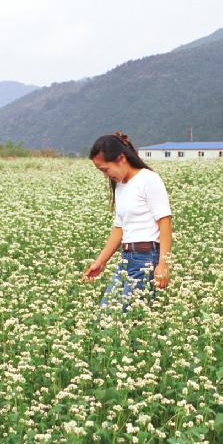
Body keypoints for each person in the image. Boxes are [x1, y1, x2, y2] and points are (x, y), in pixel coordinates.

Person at [83, 132, 172, 311]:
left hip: (146, 259)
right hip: (127, 259)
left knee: (128, 317)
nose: (106, 175)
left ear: (121, 158)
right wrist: (101, 261)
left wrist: (163, 264)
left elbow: (165, 222)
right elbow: (119, 228)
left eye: (105, 169)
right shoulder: (121, 186)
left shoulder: (148, 179)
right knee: (107, 312)